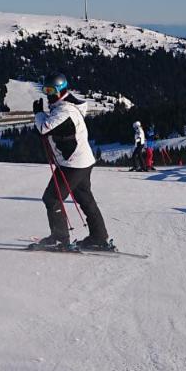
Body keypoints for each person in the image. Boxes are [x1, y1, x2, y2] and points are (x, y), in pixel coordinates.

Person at [33, 74, 112, 250]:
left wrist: (38, 114)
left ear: (61, 89)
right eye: (45, 90)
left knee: (52, 198)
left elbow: (43, 129)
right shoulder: (65, 106)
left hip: (73, 164)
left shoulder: (65, 111)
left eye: (51, 90)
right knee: (84, 198)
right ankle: (99, 237)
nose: (47, 94)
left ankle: (60, 239)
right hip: (82, 161)